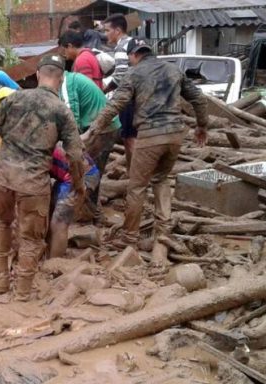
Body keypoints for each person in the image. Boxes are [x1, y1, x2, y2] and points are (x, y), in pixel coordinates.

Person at [0, 54, 86, 301]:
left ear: (38, 75)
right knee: (31, 238)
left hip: (2, 178)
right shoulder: (61, 111)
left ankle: (0, 281)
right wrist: (79, 184)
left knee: (1, 225)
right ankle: (22, 292)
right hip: (33, 184)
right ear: (61, 79)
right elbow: (75, 155)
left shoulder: (14, 98)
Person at [85, 43, 208, 255]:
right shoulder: (173, 69)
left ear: (134, 55)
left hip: (151, 135)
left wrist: (92, 130)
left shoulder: (134, 73)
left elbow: (115, 104)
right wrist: (202, 126)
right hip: (174, 135)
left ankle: (129, 237)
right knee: (160, 180)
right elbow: (198, 97)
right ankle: (164, 231)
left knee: (137, 187)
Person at [58, 70, 120, 222]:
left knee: (86, 170)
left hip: (100, 130)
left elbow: (72, 117)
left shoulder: (67, 82)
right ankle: (91, 212)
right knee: (91, 169)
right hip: (105, 127)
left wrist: (68, 144)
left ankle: (90, 215)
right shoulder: (72, 79)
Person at [48, 146, 100, 258]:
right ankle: (49, 252)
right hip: (66, 174)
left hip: (81, 176)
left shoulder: (31, 150)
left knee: (59, 222)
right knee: (49, 213)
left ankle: (54, 263)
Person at [102, 14, 138, 167]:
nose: (105, 34)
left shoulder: (122, 46)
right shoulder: (136, 42)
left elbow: (121, 75)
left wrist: (104, 90)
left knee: (129, 138)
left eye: (107, 30)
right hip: (145, 94)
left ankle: (135, 173)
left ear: (117, 30)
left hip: (130, 97)